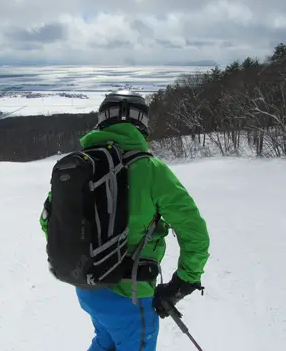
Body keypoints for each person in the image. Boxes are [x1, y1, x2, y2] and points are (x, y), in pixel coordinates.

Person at [39, 90, 210, 351]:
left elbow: (48, 221)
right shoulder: (152, 171)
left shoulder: (81, 166)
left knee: (104, 341)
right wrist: (182, 283)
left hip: (87, 287)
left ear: (102, 121)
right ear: (142, 124)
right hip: (130, 298)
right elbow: (194, 232)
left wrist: (85, 254)